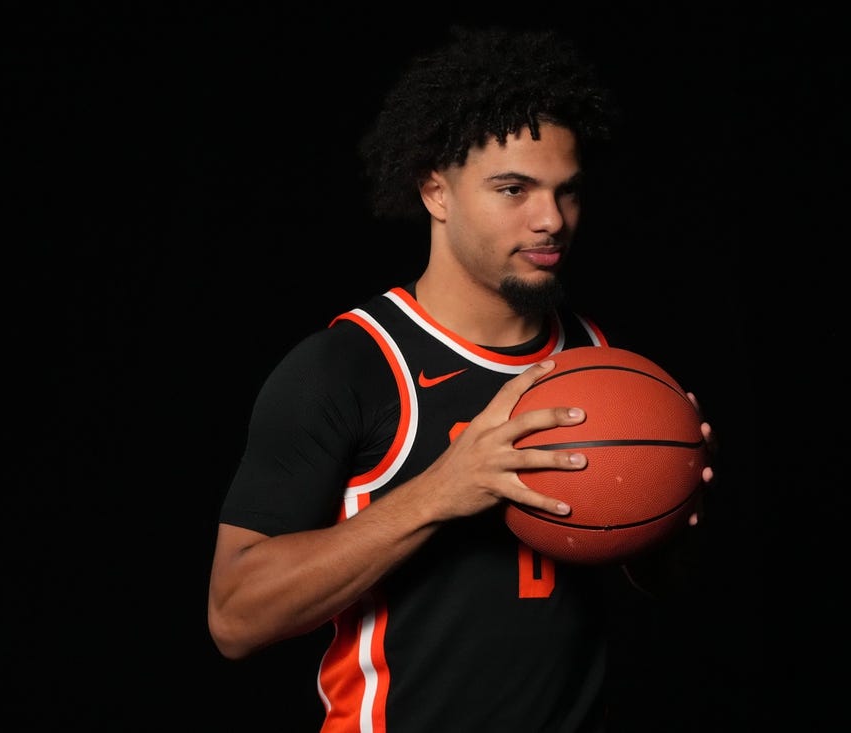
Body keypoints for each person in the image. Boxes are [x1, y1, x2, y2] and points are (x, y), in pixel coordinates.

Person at [207, 24, 715, 732]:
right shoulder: (348, 364)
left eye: (567, 192)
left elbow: (656, 581)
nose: (551, 219)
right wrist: (443, 491)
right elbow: (234, 617)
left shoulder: (598, 358)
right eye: (514, 189)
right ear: (435, 190)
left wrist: (670, 497)